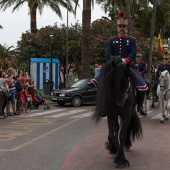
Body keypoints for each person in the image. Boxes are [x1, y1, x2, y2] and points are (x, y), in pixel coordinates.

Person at [88, 11, 148, 116]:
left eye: (123, 26)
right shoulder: (112, 40)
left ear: (126, 28)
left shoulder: (131, 40)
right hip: (114, 66)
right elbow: (108, 54)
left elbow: (133, 52)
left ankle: (140, 105)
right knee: (103, 82)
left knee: (142, 83)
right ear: (117, 28)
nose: (122, 28)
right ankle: (104, 106)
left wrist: (127, 60)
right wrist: (116, 60)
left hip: (128, 66)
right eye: (120, 26)